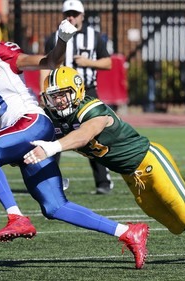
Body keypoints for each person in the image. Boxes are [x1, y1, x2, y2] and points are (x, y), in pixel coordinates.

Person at [0, 19, 149, 269]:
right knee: (54, 207)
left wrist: (62, 40)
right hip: (18, 136)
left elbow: (50, 63)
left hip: (32, 122)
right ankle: (128, 232)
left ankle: (15, 216)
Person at [24, 66, 185, 266]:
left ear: (76, 91)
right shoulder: (56, 118)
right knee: (177, 224)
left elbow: (84, 135)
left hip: (149, 161)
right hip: (131, 176)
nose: (58, 101)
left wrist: (51, 148)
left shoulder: (92, 109)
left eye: (62, 95)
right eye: (53, 97)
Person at [40, 0, 113, 195]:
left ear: (82, 15)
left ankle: (103, 182)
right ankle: (49, 180)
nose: (70, 17)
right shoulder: (54, 37)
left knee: (94, 137)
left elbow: (108, 63)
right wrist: (43, 91)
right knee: (53, 133)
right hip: (59, 95)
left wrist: (88, 62)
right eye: (67, 14)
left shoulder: (94, 37)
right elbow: (46, 65)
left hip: (87, 92)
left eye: (74, 13)